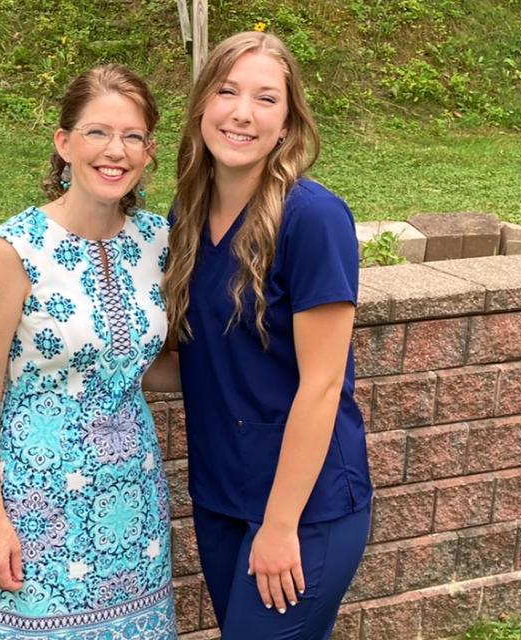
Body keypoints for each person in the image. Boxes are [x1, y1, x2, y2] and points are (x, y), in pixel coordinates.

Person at [157, 31, 373, 639]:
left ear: (287, 124)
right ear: (202, 106)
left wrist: (281, 525)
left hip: (304, 508)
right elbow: (200, 361)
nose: (242, 113)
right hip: (222, 492)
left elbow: (323, 384)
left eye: (266, 98)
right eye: (226, 91)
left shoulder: (312, 219)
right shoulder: (188, 215)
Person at [0, 64, 177, 639]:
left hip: (132, 497)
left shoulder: (158, 241)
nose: (117, 151)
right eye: (98, 132)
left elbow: (142, 364)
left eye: (133, 137)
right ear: (64, 144)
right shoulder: (17, 249)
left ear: (149, 152)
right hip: (38, 500)